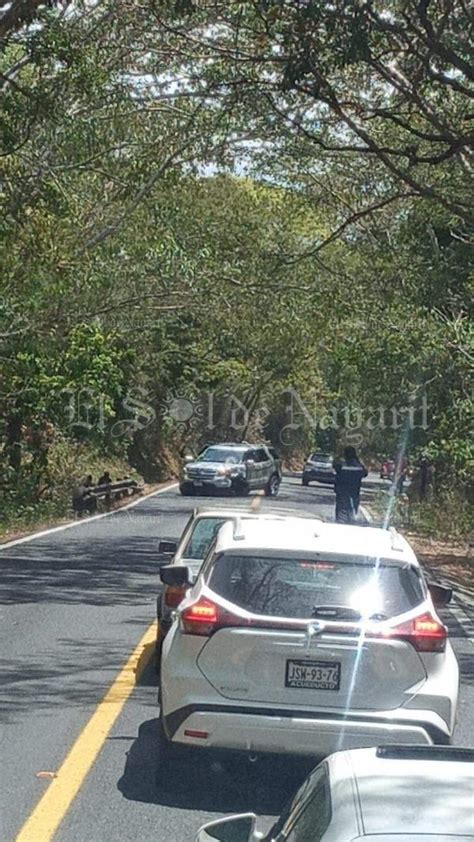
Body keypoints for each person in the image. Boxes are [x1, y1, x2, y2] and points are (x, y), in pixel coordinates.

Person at [333, 446, 368, 524]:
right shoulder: (358, 467)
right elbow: (365, 473)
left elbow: (335, 465)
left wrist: (338, 455)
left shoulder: (341, 465)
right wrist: (358, 460)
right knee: (352, 509)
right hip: (354, 492)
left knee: (341, 511)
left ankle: (340, 523)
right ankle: (351, 522)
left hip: (342, 491)